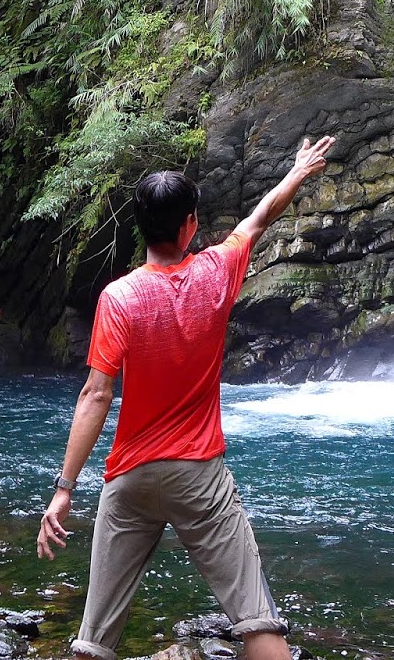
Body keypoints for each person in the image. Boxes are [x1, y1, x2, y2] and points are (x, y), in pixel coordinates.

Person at [37, 134, 337, 660]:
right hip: (199, 475)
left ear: (140, 225)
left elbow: (95, 395)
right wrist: (296, 172)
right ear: (190, 225)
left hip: (131, 479)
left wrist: (64, 489)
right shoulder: (217, 271)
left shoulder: (119, 297)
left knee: (93, 640)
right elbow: (259, 220)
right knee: (258, 622)